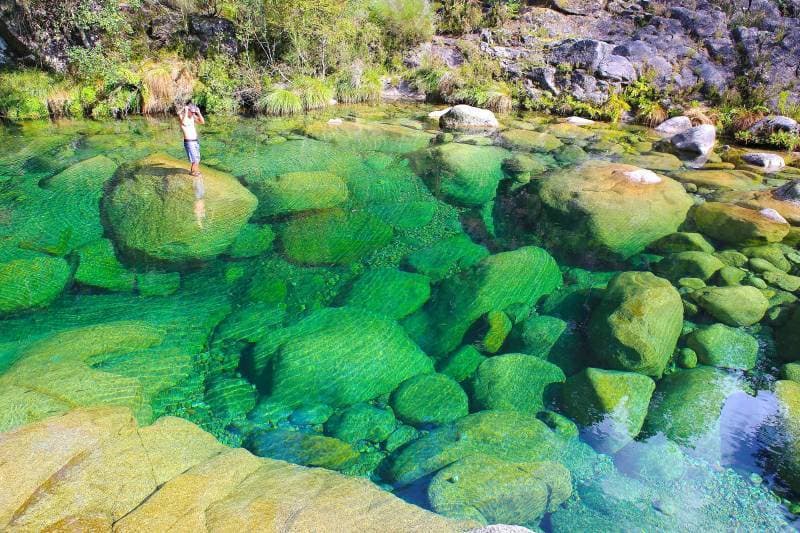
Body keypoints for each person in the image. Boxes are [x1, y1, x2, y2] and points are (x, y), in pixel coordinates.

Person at [179, 103, 205, 177]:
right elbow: (183, 122)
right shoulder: (182, 116)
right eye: (192, 111)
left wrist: (199, 113)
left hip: (195, 141)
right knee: (195, 159)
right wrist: (186, 111)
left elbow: (202, 122)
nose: (193, 113)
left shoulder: (193, 117)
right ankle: (193, 172)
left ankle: (194, 171)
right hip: (189, 142)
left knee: (197, 158)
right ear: (188, 110)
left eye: (194, 112)